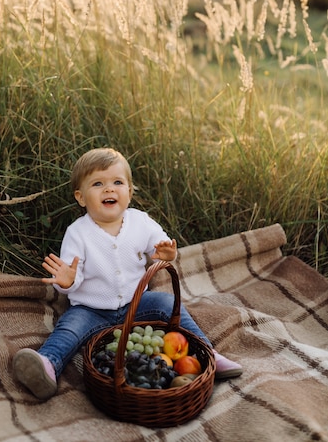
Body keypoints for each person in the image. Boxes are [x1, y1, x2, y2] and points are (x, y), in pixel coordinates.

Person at [13, 147, 243, 400]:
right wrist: (67, 282)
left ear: (129, 193)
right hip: (91, 309)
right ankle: (47, 365)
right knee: (69, 327)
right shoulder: (77, 233)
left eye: (117, 182)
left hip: (138, 302)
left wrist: (167, 253)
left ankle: (208, 353)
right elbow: (71, 274)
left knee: (168, 302)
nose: (109, 189)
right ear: (81, 197)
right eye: (98, 183)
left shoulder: (140, 221)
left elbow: (160, 243)